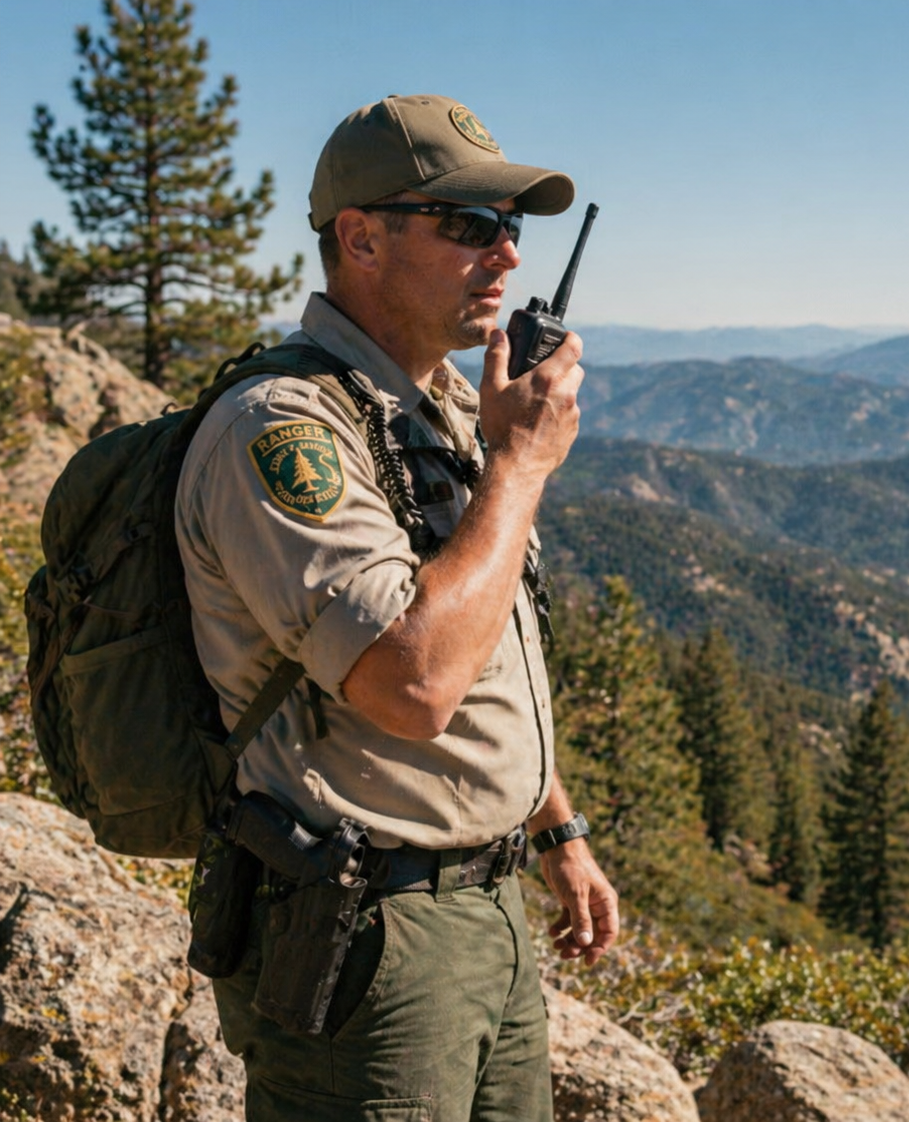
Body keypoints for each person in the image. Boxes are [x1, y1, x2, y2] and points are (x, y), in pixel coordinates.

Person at [174, 93, 618, 1121]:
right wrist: (517, 472)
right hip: (365, 937)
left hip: (487, 910)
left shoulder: (449, 410)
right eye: (468, 226)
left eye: (511, 228)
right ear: (361, 238)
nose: (505, 257)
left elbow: (492, 637)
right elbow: (411, 682)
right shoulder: (281, 429)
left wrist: (557, 833)